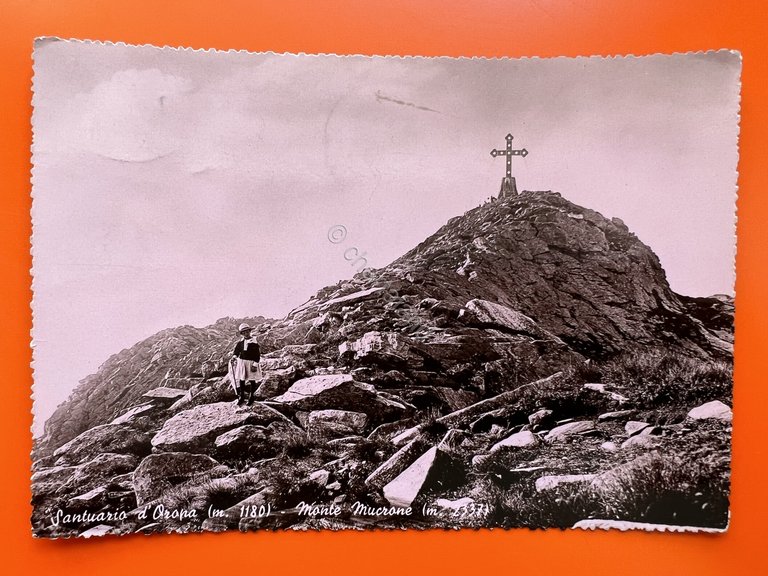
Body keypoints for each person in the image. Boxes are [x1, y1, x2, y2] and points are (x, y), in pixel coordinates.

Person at [232, 323, 262, 406]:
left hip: (251, 363)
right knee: (242, 380)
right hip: (242, 363)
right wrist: (234, 356)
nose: (246, 333)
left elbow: (257, 355)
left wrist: (255, 365)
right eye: (243, 332)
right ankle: (241, 397)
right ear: (241, 334)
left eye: (247, 331)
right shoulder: (240, 343)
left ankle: (251, 396)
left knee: (252, 380)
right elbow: (236, 351)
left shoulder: (254, 342)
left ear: (250, 331)